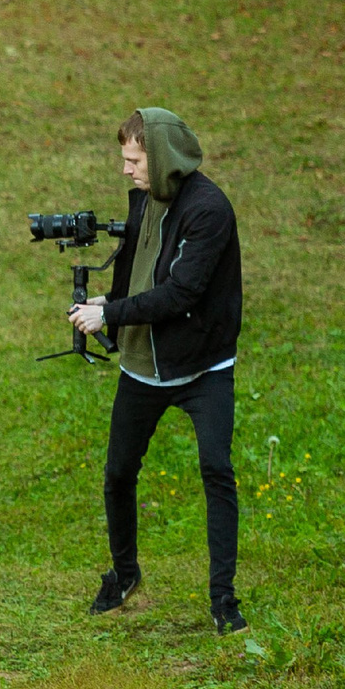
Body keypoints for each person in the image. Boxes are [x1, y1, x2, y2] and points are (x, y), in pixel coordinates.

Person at [68, 108, 246, 634]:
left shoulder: (209, 209)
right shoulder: (146, 200)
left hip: (204, 366)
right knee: (118, 472)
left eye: (134, 160)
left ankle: (223, 600)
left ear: (160, 157)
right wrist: (112, 299)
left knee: (216, 471)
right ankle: (124, 574)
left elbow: (182, 292)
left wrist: (111, 314)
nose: (126, 170)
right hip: (144, 367)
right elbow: (144, 272)